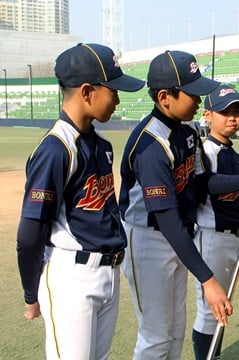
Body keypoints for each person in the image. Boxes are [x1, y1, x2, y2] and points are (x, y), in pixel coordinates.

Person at [119, 50, 239, 359]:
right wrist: (208, 278)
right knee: (155, 336)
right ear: (165, 97)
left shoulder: (188, 130)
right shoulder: (151, 144)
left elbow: (202, 183)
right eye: (192, 93)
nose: (199, 99)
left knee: (174, 331)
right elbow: (165, 217)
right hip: (148, 239)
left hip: (176, 234)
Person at [16, 43, 145, 359]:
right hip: (72, 278)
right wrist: (31, 293)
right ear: (87, 92)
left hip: (107, 274)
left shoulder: (100, 145)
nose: (117, 99)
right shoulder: (56, 149)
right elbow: (30, 232)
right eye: (112, 90)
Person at [192, 84, 239, 360]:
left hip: (234, 238)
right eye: (224, 112)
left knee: (222, 308)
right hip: (211, 236)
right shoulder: (204, 151)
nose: (232, 118)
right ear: (207, 115)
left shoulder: (234, 155)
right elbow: (207, 185)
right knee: (209, 309)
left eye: (236, 112)